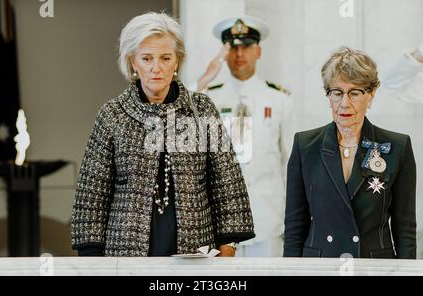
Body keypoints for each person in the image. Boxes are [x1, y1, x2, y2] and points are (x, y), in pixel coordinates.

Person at [70, 12, 255, 257]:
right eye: (146, 58)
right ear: (133, 62)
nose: (156, 68)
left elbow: (227, 183)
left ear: (177, 61)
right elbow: (92, 194)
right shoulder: (112, 114)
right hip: (125, 256)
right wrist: (93, 262)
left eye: (165, 58)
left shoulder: (201, 109)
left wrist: (228, 248)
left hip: (196, 253)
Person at [284, 47, 416, 259]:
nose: (345, 103)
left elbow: (405, 228)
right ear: (328, 96)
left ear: (371, 94)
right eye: (337, 93)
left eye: (355, 93)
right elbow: (294, 226)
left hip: (374, 266)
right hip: (319, 264)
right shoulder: (305, 145)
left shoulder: (397, 147)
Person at [192, 16, 293, 257]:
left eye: (246, 46)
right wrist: (203, 79)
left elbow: (289, 160)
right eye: (233, 47)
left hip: (267, 218)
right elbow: (178, 120)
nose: (240, 54)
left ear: (258, 51)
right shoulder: (208, 97)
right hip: (220, 221)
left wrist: (293, 217)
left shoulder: (279, 99)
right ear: (224, 53)